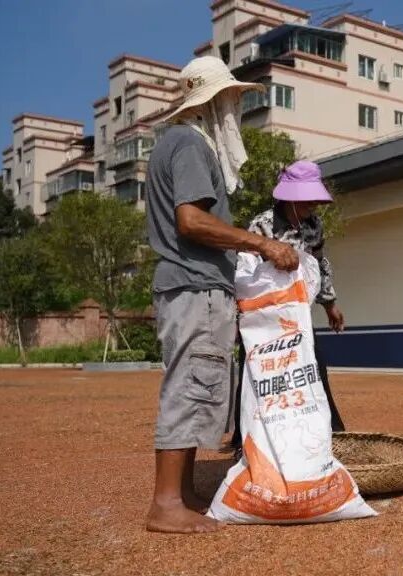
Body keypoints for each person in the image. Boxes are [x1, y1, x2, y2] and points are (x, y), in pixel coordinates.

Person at [144, 56, 299, 534]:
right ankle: (166, 503)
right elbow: (190, 221)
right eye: (230, 97)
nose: (234, 105)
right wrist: (261, 242)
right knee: (189, 386)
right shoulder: (190, 144)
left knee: (197, 382)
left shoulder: (182, 142)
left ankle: (183, 492)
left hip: (191, 285)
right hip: (194, 285)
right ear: (212, 101)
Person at [228, 160, 346, 456]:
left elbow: (320, 263)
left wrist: (330, 303)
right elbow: (244, 272)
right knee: (254, 372)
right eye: (308, 199)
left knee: (313, 367)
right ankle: (244, 438)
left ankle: (330, 430)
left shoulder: (313, 225)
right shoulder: (261, 225)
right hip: (262, 315)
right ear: (291, 197)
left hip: (297, 314)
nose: (314, 205)